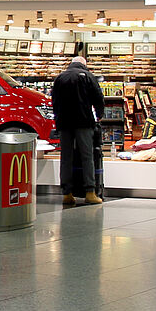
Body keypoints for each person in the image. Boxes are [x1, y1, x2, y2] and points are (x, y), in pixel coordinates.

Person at [50, 56, 105, 206]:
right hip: (83, 122)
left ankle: (67, 194)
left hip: (64, 123)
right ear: (84, 65)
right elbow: (98, 98)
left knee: (66, 157)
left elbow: (53, 100)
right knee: (87, 156)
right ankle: (90, 192)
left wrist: (58, 118)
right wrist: (99, 115)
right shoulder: (88, 76)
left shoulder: (60, 78)